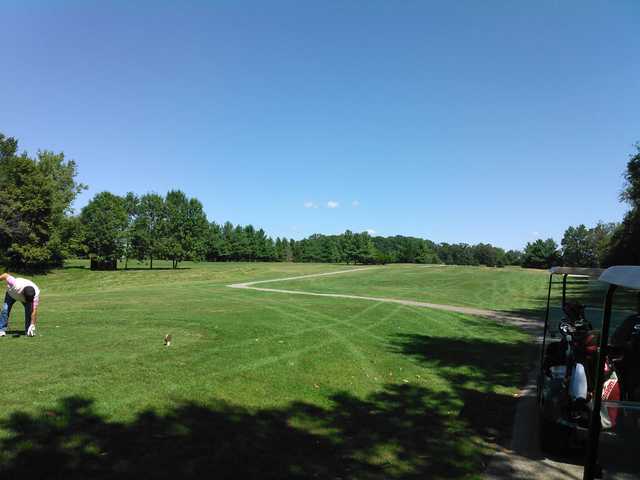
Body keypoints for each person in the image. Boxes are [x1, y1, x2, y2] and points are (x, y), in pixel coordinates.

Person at [0, 273, 40, 337]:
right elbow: (5, 275)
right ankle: (1, 329)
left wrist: (33, 324)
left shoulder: (35, 294)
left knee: (29, 311)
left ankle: (28, 330)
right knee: (5, 309)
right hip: (11, 294)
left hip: (22, 296)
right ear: (23, 292)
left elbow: (34, 311)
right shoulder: (15, 283)